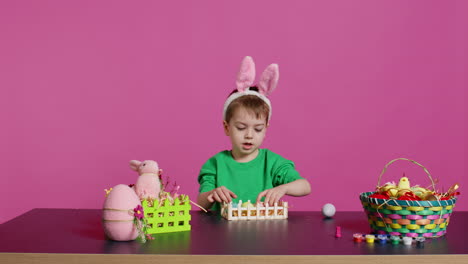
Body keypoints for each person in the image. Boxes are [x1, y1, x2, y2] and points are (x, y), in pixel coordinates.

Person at [197, 56, 311, 211]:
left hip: (265, 233)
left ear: (265, 130)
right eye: (241, 128)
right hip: (223, 233)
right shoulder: (215, 164)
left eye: (257, 129)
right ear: (226, 127)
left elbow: (305, 186)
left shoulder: (272, 162)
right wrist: (213, 193)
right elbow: (201, 203)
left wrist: (283, 188)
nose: (249, 135)